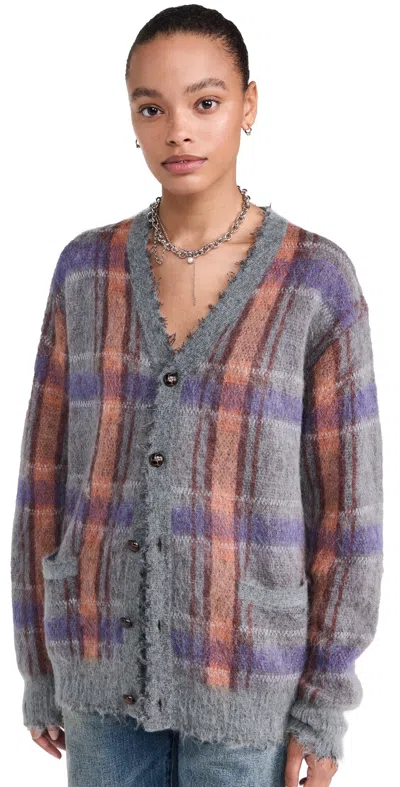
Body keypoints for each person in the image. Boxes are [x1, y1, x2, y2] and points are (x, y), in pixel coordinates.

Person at [10, 5, 383, 786]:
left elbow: (350, 514)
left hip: (247, 682)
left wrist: (323, 704)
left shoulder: (315, 283)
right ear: (132, 120)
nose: (178, 130)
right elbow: (44, 481)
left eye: (205, 102)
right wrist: (39, 665)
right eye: (152, 108)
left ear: (249, 105)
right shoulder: (85, 272)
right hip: (97, 674)